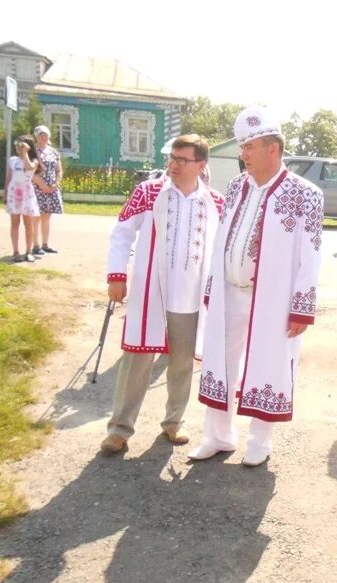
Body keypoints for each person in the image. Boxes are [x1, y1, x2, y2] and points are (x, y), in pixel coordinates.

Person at [188, 108, 324, 467]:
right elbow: (220, 241)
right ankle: (217, 436)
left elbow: (310, 254)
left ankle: (259, 443)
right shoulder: (236, 187)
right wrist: (212, 287)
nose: (243, 154)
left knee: (269, 362)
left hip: (274, 298)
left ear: (273, 149)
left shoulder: (304, 194)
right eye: (243, 147)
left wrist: (301, 306)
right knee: (219, 359)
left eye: (251, 147)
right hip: (229, 291)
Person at [100, 134, 224, 453]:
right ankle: (120, 428)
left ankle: (174, 422)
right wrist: (117, 275)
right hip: (150, 293)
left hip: (190, 296)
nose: (174, 164)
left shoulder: (215, 202)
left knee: (182, 362)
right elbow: (122, 232)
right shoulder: (149, 192)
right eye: (172, 157)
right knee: (137, 360)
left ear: (200, 165)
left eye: (182, 160)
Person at [4, 135, 40, 262]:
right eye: (17, 145)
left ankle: (28, 251)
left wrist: (25, 153)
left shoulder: (34, 160)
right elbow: (8, 177)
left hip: (27, 195)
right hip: (14, 194)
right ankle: (15, 251)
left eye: (21, 145)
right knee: (14, 223)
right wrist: (5, 192)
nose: (18, 147)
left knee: (28, 224)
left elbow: (30, 168)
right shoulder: (12, 160)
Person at [31, 125, 63, 256]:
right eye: (40, 134)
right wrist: (42, 185)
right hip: (37, 188)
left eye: (45, 134)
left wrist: (56, 183)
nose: (43, 137)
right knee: (36, 217)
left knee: (47, 217)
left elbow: (59, 170)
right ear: (36, 136)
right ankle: (35, 245)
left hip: (51, 187)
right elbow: (29, 171)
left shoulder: (54, 152)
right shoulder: (33, 151)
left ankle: (45, 244)